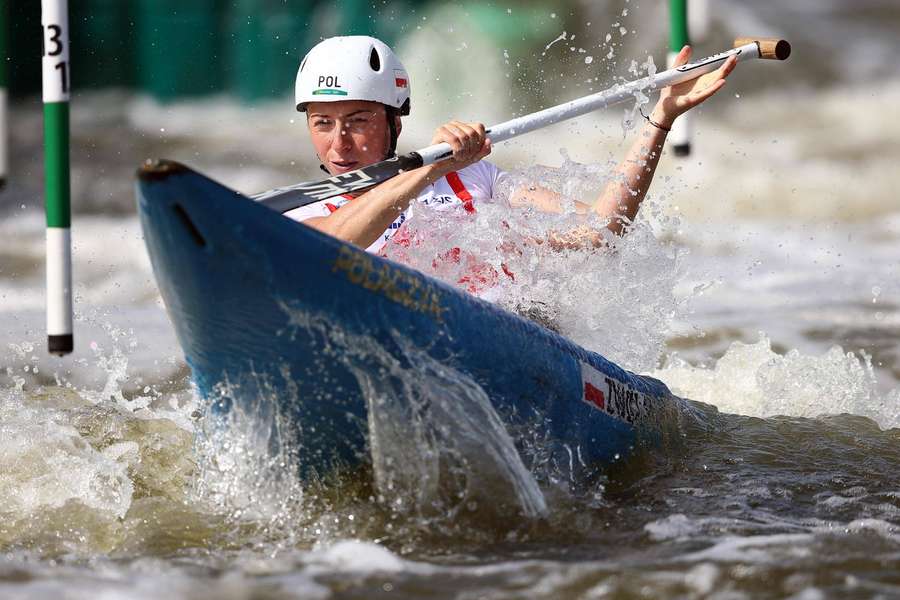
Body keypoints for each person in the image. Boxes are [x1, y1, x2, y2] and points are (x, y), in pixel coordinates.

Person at [286, 35, 736, 256]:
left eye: (358, 121)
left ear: (394, 122)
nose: (339, 142)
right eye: (323, 123)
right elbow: (330, 249)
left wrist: (660, 119)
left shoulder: (473, 179)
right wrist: (428, 171)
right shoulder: (298, 216)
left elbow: (602, 231)